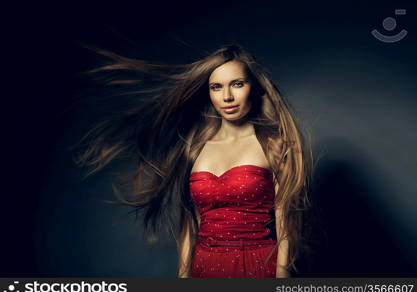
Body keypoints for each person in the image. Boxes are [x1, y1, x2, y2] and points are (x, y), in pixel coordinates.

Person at [73, 44, 313, 278]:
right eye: (216, 87)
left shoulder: (273, 144)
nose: (227, 96)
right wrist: (183, 276)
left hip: (258, 265)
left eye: (237, 84)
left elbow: (286, 219)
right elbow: (189, 222)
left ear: (255, 87)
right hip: (205, 266)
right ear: (208, 93)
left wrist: (282, 273)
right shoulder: (195, 147)